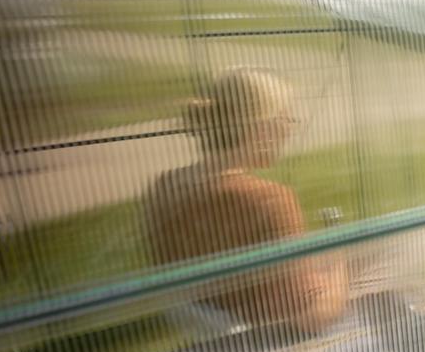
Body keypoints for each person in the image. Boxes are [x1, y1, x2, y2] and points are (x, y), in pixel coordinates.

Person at [145, 67, 348, 334]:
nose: (289, 131)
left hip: (205, 337)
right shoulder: (270, 201)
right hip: (262, 350)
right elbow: (315, 316)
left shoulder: (166, 186)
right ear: (262, 129)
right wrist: (339, 261)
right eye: (286, 119)